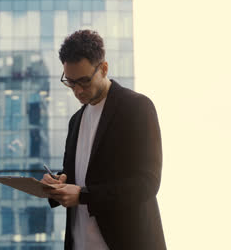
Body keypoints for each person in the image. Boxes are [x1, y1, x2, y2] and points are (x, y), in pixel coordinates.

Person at [41, 30, 166, 250]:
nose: (77, 90)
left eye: (84, 81)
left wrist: (83, 195)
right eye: (70, 82)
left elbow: (147, 183)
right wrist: (57, 183)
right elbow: (76, 176)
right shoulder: (76, 121)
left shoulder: (137, 108)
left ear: (104, 68)